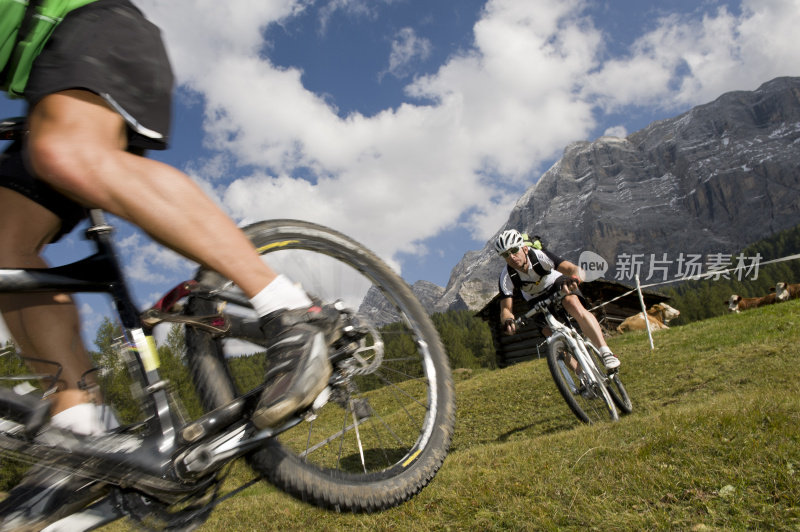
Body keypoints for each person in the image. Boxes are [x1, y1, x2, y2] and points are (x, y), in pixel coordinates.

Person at [0, 1, 334, 527]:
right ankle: (80, 424)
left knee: (66, 151)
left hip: (86, 25)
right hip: (46, 79)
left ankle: (289, 310)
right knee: (3, 244)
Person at [495, 229, 620, 370]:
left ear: (524, 248)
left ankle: (605, 352)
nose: (511, 257)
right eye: (506, 254)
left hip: (555, 284)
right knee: (550, 335)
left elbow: (574, 269)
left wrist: (574, 280)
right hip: (534, 298)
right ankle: (581, 374)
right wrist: (507, 321)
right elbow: (506, 309)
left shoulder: (539, 256)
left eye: (514, 250)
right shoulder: (506, 277)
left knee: (572, 304)